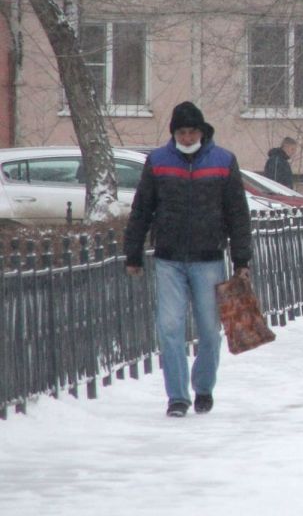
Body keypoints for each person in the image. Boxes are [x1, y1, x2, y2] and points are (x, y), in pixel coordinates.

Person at [123, 101, 253, 418]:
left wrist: (242, 261)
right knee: (170, 327)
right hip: (168, 258)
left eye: (192, 131)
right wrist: (133, 252)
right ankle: (177, 397)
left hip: (209, 259)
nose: (186, 137)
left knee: (209, 330)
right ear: (174, 133)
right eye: (181, 132)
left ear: (202, 131)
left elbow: (237, 213)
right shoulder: (158, 161)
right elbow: (142, 209)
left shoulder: (223, 161)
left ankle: (203, 387)